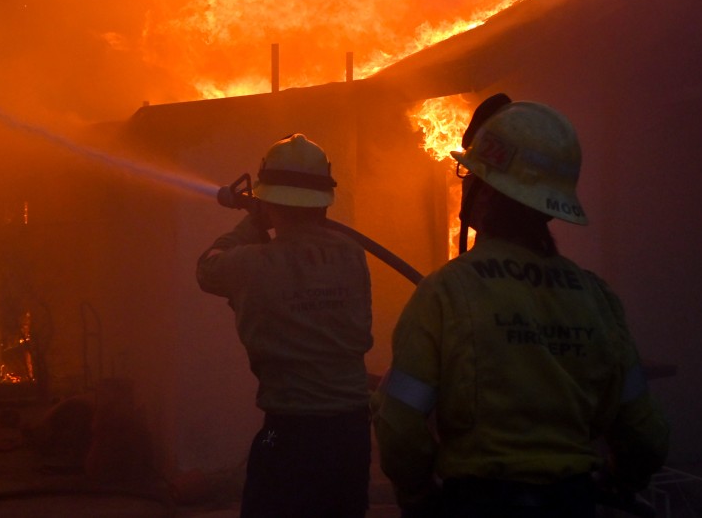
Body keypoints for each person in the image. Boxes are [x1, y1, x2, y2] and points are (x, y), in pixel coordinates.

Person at [372, 96, 669, 517]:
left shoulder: (447, 293)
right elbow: (646, 436)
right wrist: (620, 484)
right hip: (573, 502)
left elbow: (399, 426)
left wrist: (417, 495)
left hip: (477, 503)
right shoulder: (596, 299)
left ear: (483, 190)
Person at [197, 133, 374, 518]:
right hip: (351, 436)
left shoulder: (251, 264)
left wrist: (251, 223)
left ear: (268, 202)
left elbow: (207, 267)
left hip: (286, 432)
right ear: (323, 201)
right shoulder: (352, 256)